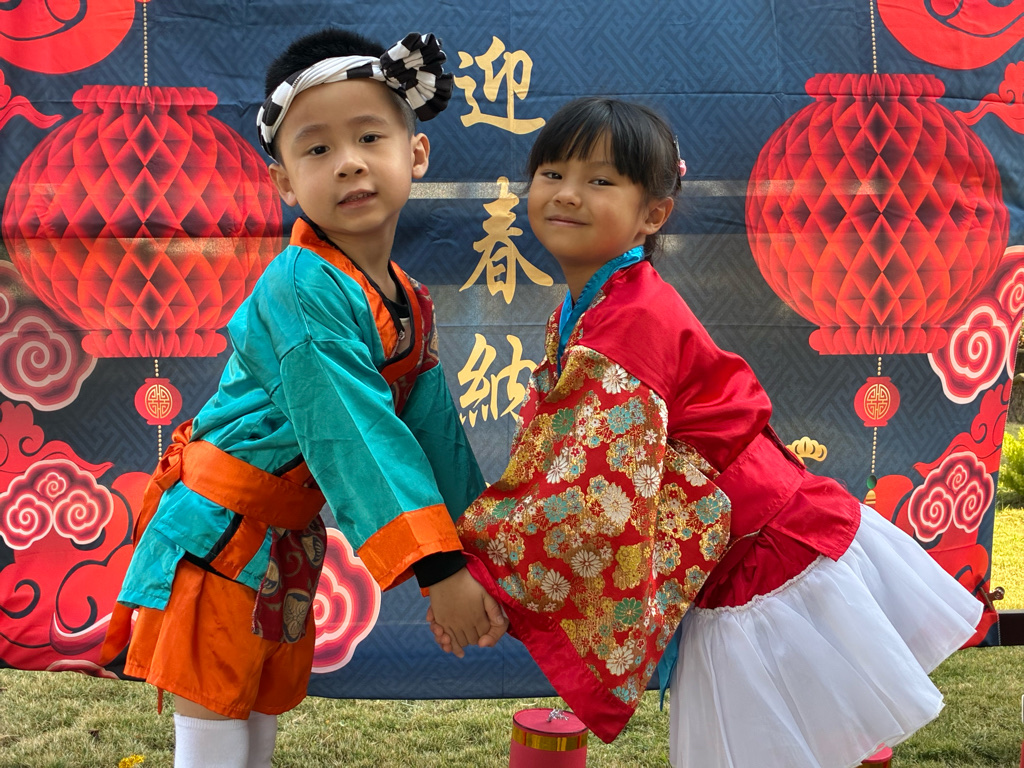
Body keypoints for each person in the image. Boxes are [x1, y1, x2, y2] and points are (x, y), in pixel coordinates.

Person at [431, 96, 983, 768]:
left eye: (600, 180)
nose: (567, 194)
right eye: (552, 174)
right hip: (749, 550)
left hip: (765, 559)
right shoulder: (599, 307)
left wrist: (481, 578)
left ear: (653, 214)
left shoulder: (630, 317)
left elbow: (589, 489)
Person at [100, 28, 506, 768]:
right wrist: (439, 570)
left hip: (280, 533)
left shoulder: (407, 297)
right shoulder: (300, 286)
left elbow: (431, 430)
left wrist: (474, 553)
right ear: (284, 181)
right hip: (220, 530)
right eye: (317, 149)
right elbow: (353, 432)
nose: (348, 161)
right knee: (215, 719)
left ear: (415, 152)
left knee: (255, 712)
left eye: (369, 136)